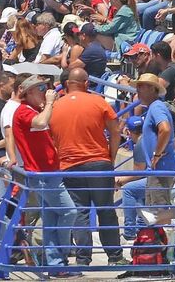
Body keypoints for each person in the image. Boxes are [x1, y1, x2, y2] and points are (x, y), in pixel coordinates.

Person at [49, 66, 122, 266]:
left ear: (66, 85)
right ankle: (114, 257)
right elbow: (116, 132)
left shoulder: (55, 106)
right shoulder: (98, 101)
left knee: (80, 212)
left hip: (69, 165)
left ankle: (83, 258)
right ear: (87, 84)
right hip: (99, 163)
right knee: (106, 210)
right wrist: (111, 158)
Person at [10, 76, 79, 270]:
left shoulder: (32, 110)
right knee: (69, 211)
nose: (44, 90)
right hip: (43, 175)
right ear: (28, 92)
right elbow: (40, 123)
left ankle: (52, 262)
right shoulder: (24, 111)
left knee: (50, 218)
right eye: (39, 88)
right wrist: (49, 103)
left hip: (49, 173)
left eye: (45, 87)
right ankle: (61, 256)